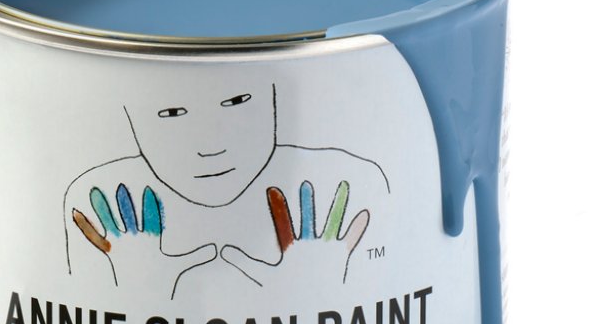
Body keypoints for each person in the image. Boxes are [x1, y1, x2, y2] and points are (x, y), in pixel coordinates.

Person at [64, 79, 389, 300]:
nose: (210, 146)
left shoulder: (341, 191)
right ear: (129, 117)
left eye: (236, 102)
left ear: (276, 98)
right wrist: (134, 295)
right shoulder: (106, 206)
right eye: (171, 113)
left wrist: (322, 296)